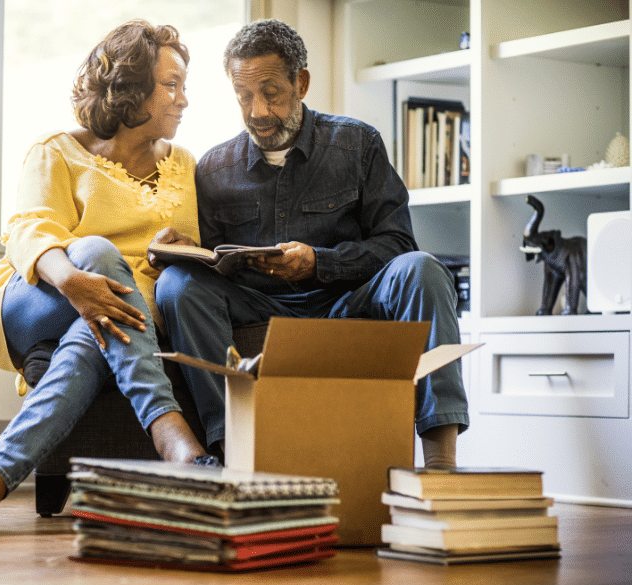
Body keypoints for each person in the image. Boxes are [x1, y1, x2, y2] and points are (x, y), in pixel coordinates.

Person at [152, 19, 469, 468]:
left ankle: (441, 464)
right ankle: (231, 454)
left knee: (423, 269)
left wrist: (319, 263)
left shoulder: (357, 144)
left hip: (344, 301)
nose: (258, 111)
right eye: (244, 96)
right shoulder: (214, 168)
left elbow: (397, 243)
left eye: (271, 93)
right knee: (176, 286)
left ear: (300, 83)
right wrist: (185, 251)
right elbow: (216, 266)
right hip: (257, 305)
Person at [0, 20, 212, 537]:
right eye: (171, 85)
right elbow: (28, 232)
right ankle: (170, 432)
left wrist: (180, 252)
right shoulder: (57, 150)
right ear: (131, 89)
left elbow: (191, 254)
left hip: (124, 311)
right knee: (95, 250)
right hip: (39, 292)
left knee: (93, 334)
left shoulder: (185, 166)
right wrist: (73, 279)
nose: (183, 100)